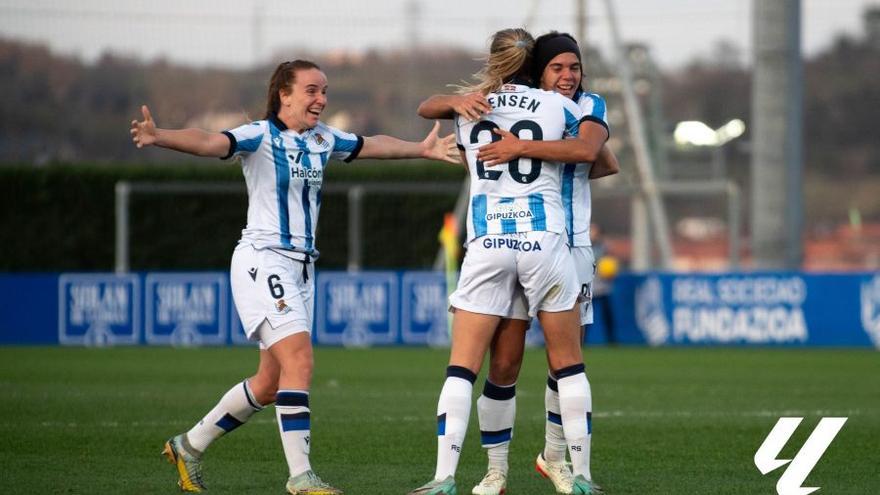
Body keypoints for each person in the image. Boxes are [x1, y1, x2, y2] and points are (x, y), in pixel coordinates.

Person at [130, 59, 460, 495]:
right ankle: (301, 476)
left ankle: (189, 446)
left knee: (269, 383)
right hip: (263, 259)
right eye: (311, 90)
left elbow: (370, 144)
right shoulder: (260, 135)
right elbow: (211, 141)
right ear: (284, 94)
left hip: (303, 268)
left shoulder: (323, 138)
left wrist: (421, 149)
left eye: (324, 90)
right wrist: (160, 137)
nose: (321, 99)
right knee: (300, 360)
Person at [418, 31, 618, 495]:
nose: (568, 76)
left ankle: (551, 459)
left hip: (538, 243)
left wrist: (519, 145)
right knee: (511, 363)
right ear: (536, 69)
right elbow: (601, 156)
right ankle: (502, 471)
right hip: (544, 240)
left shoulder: (479, 107)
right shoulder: (555, 109)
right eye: (558, 68)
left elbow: (597, 157)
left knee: (546, 362)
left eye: (574, 67)